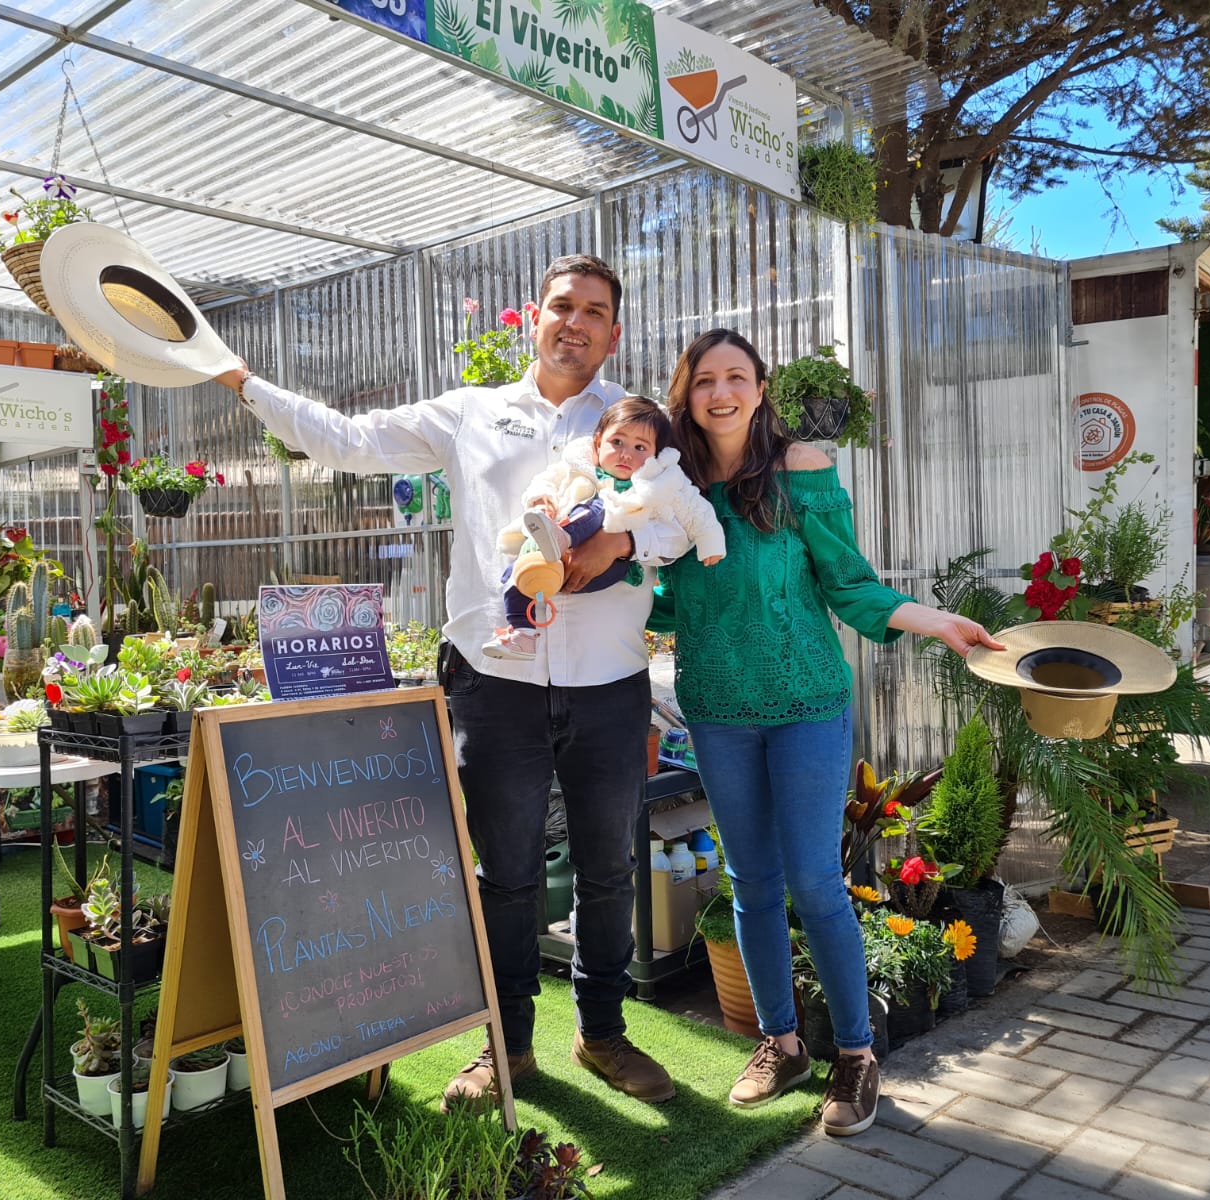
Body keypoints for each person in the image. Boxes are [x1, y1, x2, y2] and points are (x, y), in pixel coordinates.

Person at [214, 255, 688, 1108]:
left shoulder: (638, 422)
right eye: (562, 306)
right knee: (503, 874)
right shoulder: (470, 413)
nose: (576, 322)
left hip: (609, 682)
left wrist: (627, 542)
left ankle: (602, 1034)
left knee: (609, 870)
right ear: (534, 318)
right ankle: (507, 1046)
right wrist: (242, 382)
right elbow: (347, 440)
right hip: (493, 683)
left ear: (614, 332)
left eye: (594, 311)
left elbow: (686, 520)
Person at [650, 328, 1003, 1136]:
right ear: (687, 395)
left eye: (736, 377)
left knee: (814, 882)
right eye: (704, 380)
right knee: (750, 882)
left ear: (760, 388)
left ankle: (854, 1052)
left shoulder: (800, 471)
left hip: (806, 701)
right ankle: (781, 1045)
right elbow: (664, 605)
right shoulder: (670, 487)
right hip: (717, 708)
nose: (720, 392)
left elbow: (849, 583)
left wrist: (932, 620)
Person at [484, 396, 725, 660]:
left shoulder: (660, 484)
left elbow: (695, 510)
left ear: (656, 456)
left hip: (612, 568)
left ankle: (561, 538)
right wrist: (542, 501)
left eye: (640, 447)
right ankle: (523, 634)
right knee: (516, 574)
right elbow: (545, 480)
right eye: (617, 442)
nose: (626, 454)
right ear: (598, 443)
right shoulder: (578, 468)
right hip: (553, 564)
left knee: (600, 505)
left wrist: (710, 540)